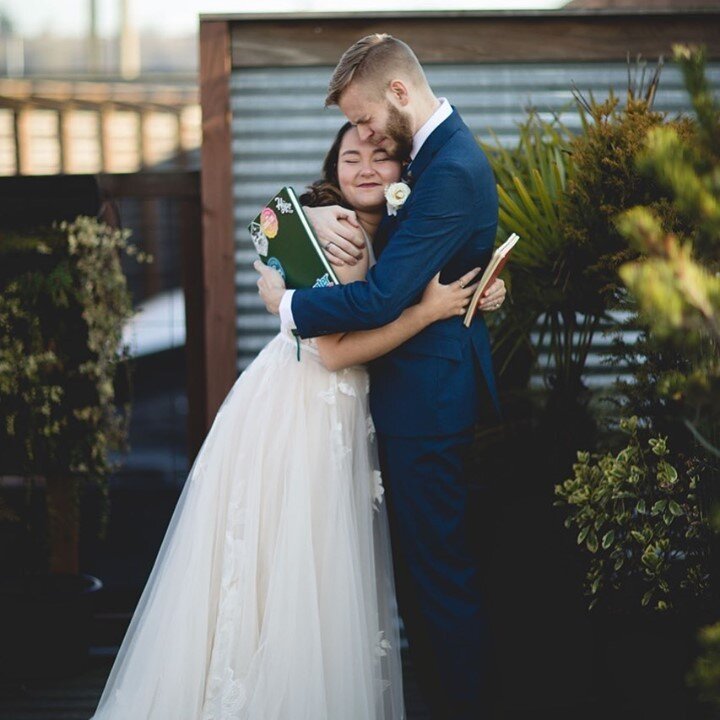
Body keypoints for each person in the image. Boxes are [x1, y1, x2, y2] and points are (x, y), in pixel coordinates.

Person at [89, 120, 503, 720]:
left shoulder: (388, 227)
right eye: (350, 157)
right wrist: (427, 311)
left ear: (402, 175)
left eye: (381, 158)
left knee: (306, 573)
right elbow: (334, 348)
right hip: (309, 405)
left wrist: (487, 290)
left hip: (333, 403)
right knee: (297, 567)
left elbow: (395, 279)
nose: (364, 169)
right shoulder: (338, 229)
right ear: (332, 168)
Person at [256, 33, 505, 719]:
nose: (363, 135)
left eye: (366, 118)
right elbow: (278, 223)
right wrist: (278, 254)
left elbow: (380, 296)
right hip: (408, 398)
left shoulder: (446, 167)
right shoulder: (430, 161)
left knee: (439, 584)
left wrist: (288, 306)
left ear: (399, 93)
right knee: (428, 581)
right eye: (353, 133)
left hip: (424, 405)